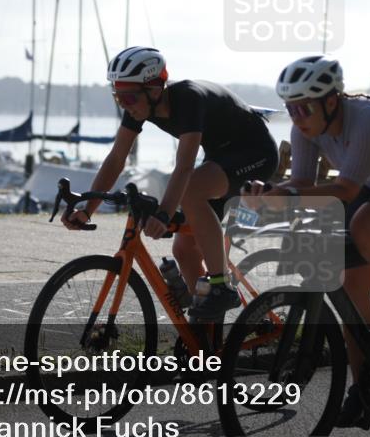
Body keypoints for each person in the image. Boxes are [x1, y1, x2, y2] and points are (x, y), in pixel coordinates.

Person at [245, 54, 370, 429]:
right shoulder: (305, 130)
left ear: (331, 101)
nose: (296, 117)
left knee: (365, 228)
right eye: (290, 109)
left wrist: (288, 197)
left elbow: (345, 189)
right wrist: (269, 192)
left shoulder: (369, 118)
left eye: (304, 108)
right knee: (352, 287)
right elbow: (303, 183)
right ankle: (365, 386)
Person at [63, 46, 278, 319]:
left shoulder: (188, 98)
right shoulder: (139, 106)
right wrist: (87, 209)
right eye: (118, 98)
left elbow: (185, 166)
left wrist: (164, 213)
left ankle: (222, 286)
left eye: (128, 97)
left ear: (154, 89)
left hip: (255, 153)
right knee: (184, 250)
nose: (124, 105)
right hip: (220, 158)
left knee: (191, 190)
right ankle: (205, 330)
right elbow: (116, 158)